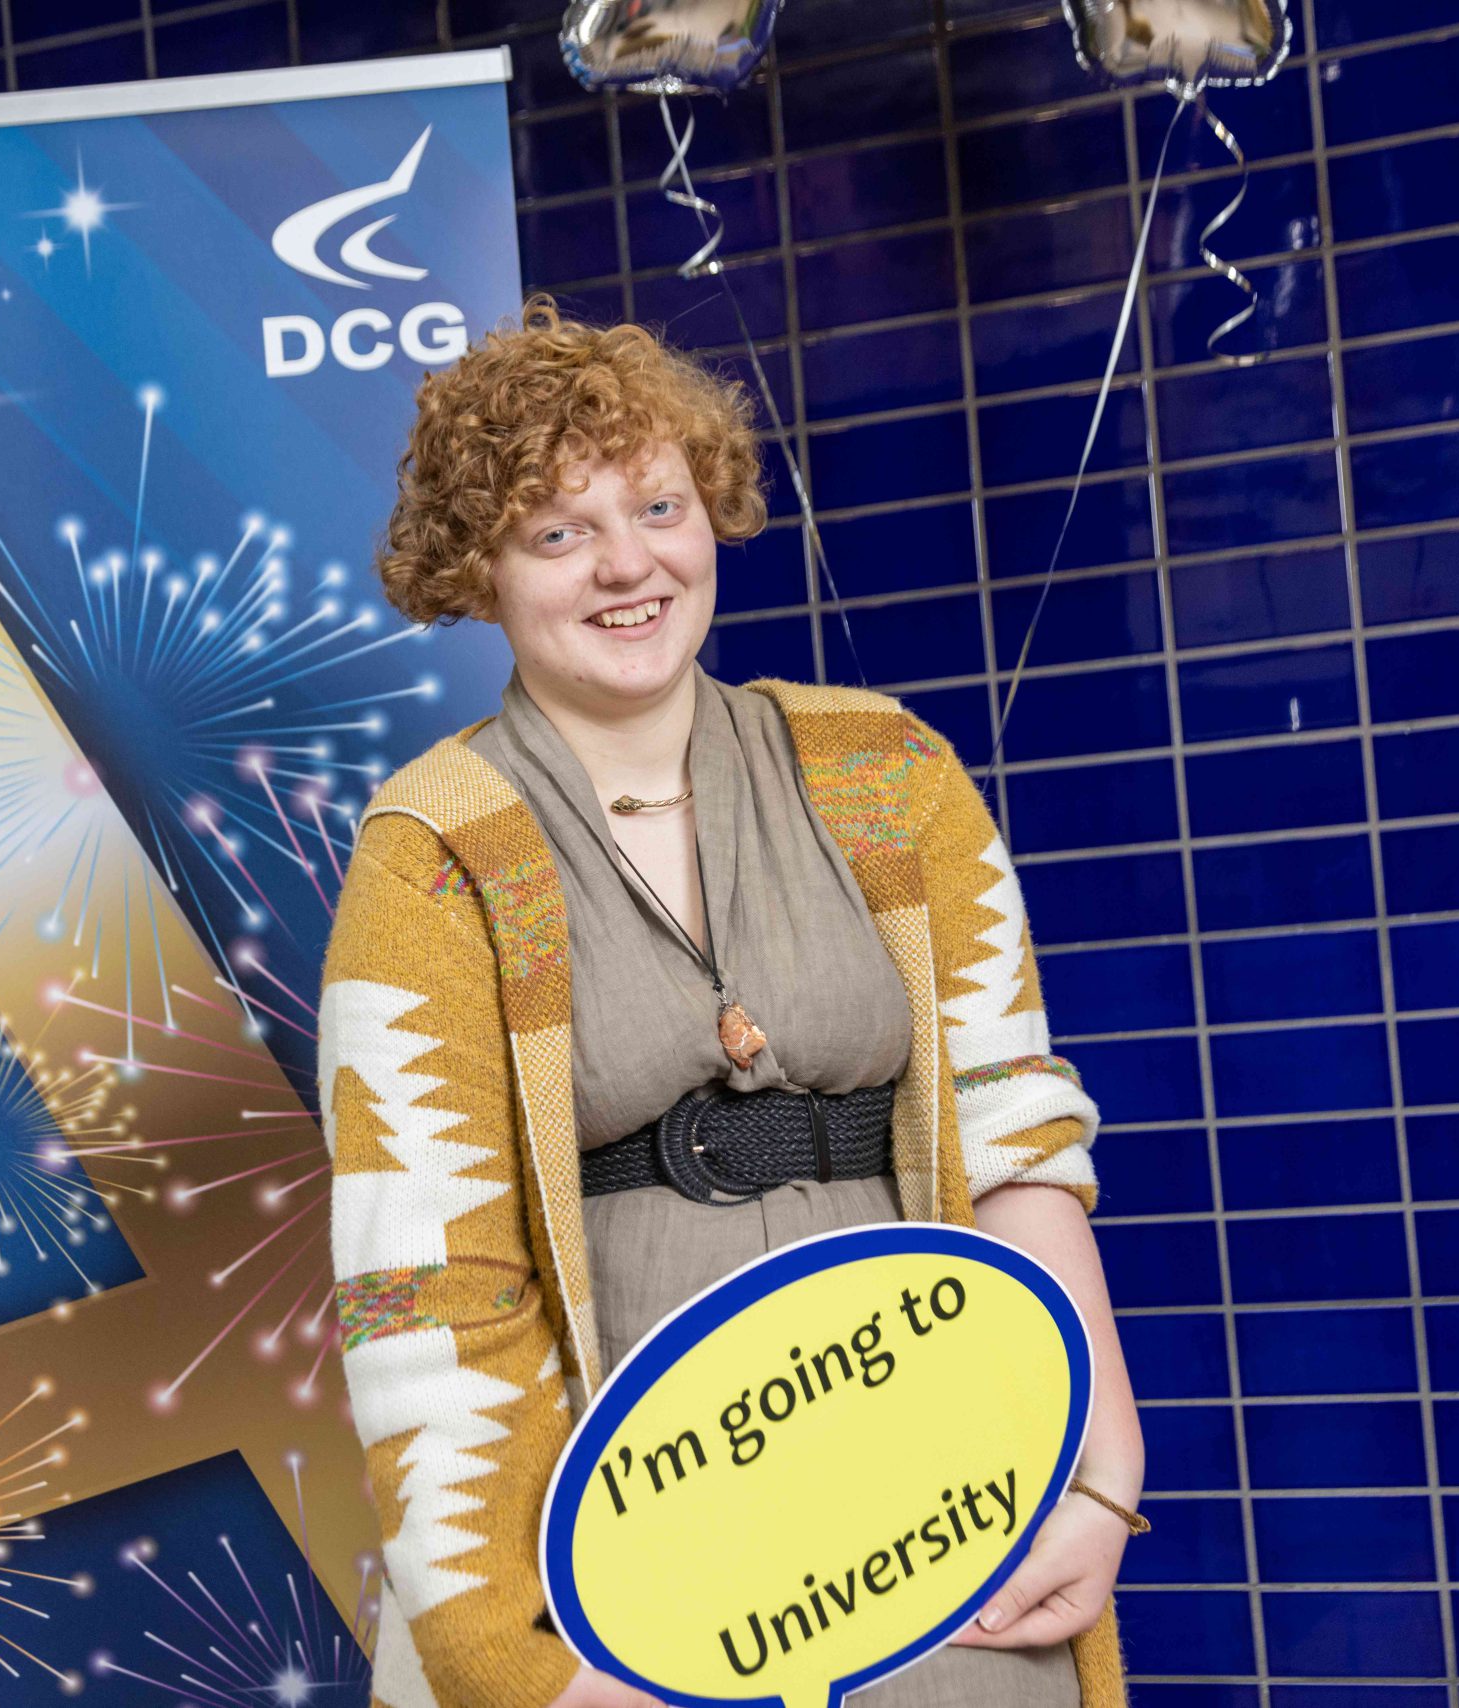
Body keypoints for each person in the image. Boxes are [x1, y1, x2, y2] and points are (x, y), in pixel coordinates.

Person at [318, 298, 1145, 1708]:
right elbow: (421, 1293)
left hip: (947, 1506)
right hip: (624, 1580)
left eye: (658, 504)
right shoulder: (433, 853)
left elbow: (1017, 1140)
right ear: (484, 571)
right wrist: (523, 1667)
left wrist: (1094, 1478)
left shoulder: (888, 771)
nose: (628, 563)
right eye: (559, 530)